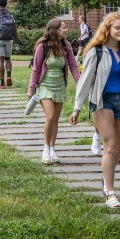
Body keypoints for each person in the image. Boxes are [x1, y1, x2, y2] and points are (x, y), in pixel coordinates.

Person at [71, 12, 120, 208]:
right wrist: (77, 108)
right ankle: (111, 193)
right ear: (108, 30)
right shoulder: (96, 52)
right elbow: (85, 81)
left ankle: (106, 181)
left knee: (118, 150)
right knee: (110, 145)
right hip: (102, 101)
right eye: (117, 28)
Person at [29, 19, 80, 164]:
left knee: (56, 120)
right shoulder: (42, 47)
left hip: (60, 86)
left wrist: (79, 82)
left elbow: (73, 65)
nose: (66, 30)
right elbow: (36, 68)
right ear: (55, 30)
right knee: (50, 117)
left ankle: (52, 148)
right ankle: (46, 149)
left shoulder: (66, 45)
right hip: (45, 86)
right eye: (64, 28)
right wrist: (31, 88)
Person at [0, 0, 19, 89]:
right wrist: (16, 42)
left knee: (0, 61)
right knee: (8, 59)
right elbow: (15, 30)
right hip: (9, 39)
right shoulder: (10, 14)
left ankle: (2, 83)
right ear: (6, 4)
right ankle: (9, 76)